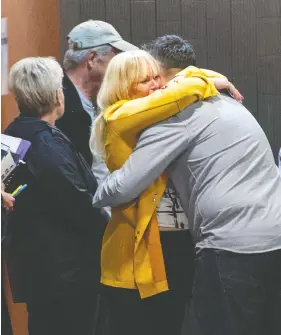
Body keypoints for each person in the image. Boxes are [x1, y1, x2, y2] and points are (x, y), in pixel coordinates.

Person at [92, 35, 281, 335]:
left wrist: (97, 191)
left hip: (229, 246)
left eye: (155, 77)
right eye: (144, 79)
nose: (154, 87)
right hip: (273, 239)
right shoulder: (226, 99)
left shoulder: (175, 116)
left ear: (166, 79)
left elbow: (123, 186)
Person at [4, 57, 107, 335]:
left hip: (35, 266)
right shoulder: (47, 144)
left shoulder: (13, 133)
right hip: (65, 272)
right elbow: (78, 203)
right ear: (57, 96)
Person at [56, 20, 138, 183]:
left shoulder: (80, 100)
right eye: (114, 56)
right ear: (92, 58)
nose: (118, 64)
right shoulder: (59, 107)